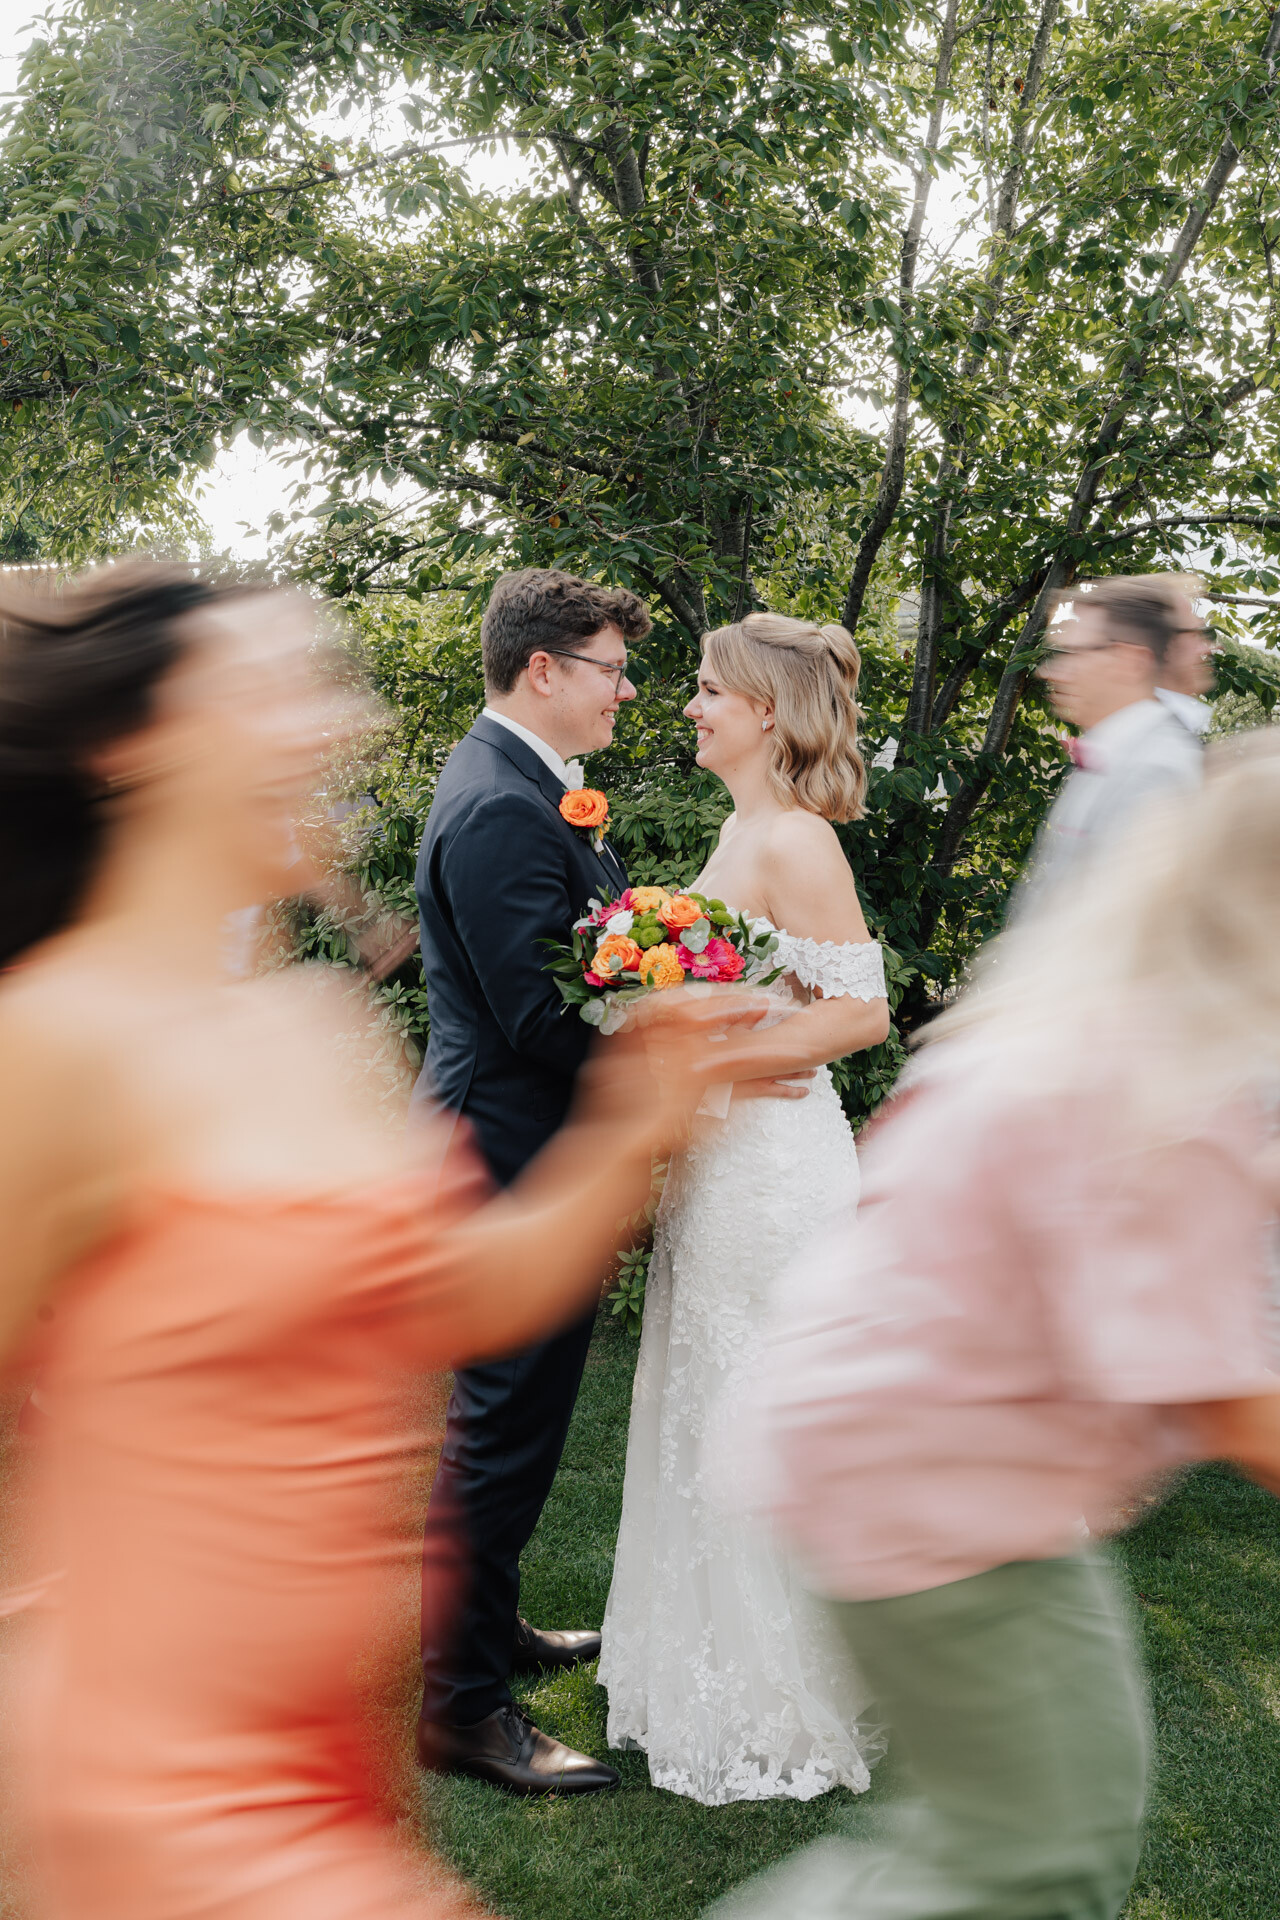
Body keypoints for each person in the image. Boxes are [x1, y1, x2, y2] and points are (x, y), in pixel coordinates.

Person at [0, 561, 768, 1920]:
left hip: (321, 1768)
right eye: (269, 691)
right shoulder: (52, 1046)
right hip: (144, 1790)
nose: (328, 727)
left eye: (322, 687)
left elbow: (463, 1296)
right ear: (128, 750)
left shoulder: (306, 1025)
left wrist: (633, 1127)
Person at [706, 736, 1280, 1920]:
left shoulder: (1103, 1009)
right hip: (931, 1485)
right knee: (1036, 1861)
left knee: (1010, 1833)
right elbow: (1226, 1394)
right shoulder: (1185, 1083)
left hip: (878, 1450)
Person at [599, 612, 891, 1805]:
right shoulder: (739, 826)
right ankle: (704, 1668)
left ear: (765, 711)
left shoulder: (797, 842)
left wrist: (705, 1066)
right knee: (703, 1401)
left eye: (708, 690)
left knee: (752, 1409)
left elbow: (856, 1015)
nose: (689, 706)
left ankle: (780, 1693)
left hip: (777, 1169)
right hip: (725, 1168)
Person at [412, 567, 646, 1795]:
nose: (624, 691)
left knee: (515, 1426)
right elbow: (537, 1021)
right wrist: (673, 1049)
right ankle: (461, 1708)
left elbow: (577, 967)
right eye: (609, 668)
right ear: (542, 669)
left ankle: (484, 1634)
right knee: (498, 1435)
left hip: (521, 1149)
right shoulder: (503, 803)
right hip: (502, 1158)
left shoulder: (529, 788)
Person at [1013, 577, 1204, 918]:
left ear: (1129, 662)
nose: (1049, 671)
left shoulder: (1157, 774)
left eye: (1073, 653)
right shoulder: (1118, 754)